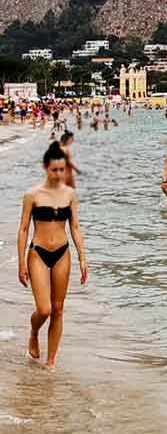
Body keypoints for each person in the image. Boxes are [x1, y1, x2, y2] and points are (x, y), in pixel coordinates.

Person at [17, 141, 87, 368]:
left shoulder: (70, 194)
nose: (59, 174)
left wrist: (82, 257)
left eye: (62, 169)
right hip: (38, 252)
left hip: (62, 252)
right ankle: (34, 332)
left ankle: (50, 364)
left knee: (58, 310)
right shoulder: (32, 195)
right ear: (46, 167)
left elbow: (75, 227)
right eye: (54, 169)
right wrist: (21, 263)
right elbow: (24, 229)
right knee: (44, 309)